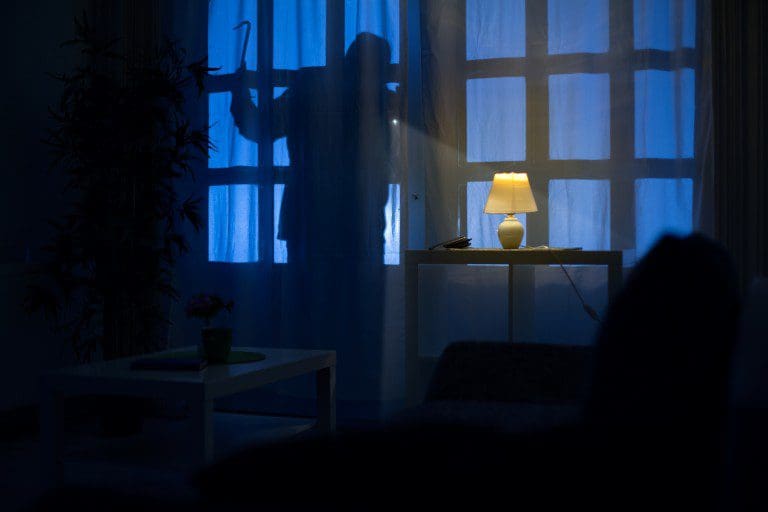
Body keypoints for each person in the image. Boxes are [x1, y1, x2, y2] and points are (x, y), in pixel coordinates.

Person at [229, 32, 398, 399]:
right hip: (354, 222)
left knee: (312, 312)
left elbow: (261, 127)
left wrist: (240, 92)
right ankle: (351, 391)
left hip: (313, 220)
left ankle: (309, 392)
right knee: (357, 311)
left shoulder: (311, 86)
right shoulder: (379, 99)